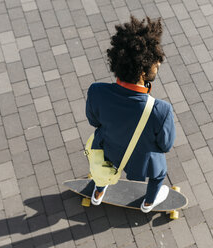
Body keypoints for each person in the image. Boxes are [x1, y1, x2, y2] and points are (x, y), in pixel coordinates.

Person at [85, 16, 176, 213]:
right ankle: (148, 203)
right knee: (159, 173)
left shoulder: (96, 91)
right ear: (143, 71)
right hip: (141, 162)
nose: (159, 63)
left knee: (103, 172)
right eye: (155, 61)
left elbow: (94, 121)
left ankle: (99, 192)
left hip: (108, 150)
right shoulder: (161, 110)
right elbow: (165, 145)